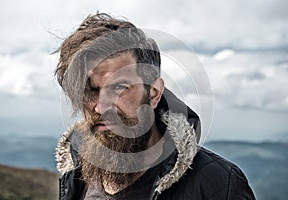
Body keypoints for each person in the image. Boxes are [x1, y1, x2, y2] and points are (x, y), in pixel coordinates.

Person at [54, 13, 255, 200]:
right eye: (91, 91)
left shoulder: (217, 184)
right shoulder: (77, 174)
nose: (100, 107)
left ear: (154, 93)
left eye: (119, 87)